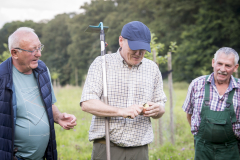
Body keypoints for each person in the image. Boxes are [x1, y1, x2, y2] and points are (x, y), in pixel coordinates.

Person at [80, 21, 166, 160]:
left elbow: (160, 105)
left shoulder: (152, 69)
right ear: (121, 40)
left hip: (139, 149)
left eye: (143, 49)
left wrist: (157, 110)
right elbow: (87, 103)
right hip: (107, 146)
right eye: (134, 48)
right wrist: (121, 111)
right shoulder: (102, 64)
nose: (138, 53)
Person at [0, 27, 77, 160]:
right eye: (32, 50)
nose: (38, 54)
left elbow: (48, 103)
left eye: (39, 47)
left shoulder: (42, 70)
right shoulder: (2, 77)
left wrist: (58, 117)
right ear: (14, 53)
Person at [182, 47, 240, 160]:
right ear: (213, 62)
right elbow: (189, 114)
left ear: (235, 67)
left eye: (227, 65)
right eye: (219, 63)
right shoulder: (197, 84)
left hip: (232, 151)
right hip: (203, 149)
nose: (222, 69)